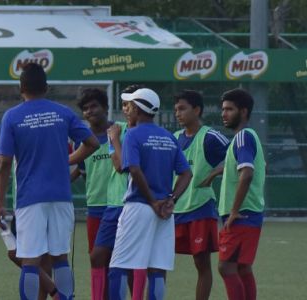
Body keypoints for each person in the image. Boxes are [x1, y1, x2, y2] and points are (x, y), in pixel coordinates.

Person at [0, 63, 99, 300]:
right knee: (60, 257)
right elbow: (93, 143)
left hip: (30, 197)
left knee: (30, 260)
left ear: (21, 88)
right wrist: (67, 160)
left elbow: (4, 162)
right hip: (61, 196)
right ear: (46, 88)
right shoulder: (63, 112)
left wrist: (0, 202)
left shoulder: (12, 116)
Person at [107, 88, 192, 300]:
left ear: (137, 109)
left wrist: (152, 201)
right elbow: (187, 173)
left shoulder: (133, 134)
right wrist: (171, 199)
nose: (127, 110)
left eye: (130, 106)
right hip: (164, 212)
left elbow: (133, 169)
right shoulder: (168, 136)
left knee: (119, 266)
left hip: (139, 206)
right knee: (157, 270)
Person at [71, 88, 129, 300]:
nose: (89, 111)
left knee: (121, 261)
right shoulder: (81, 141)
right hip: (95, 207)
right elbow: (82, 172)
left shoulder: (122, 130)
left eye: (94, 106)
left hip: (122, 205)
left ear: (105, 107)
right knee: (97, 259)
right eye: (85, 108)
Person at [172, 90, 229, 300]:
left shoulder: (210, 137)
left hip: (200, 208)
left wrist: (214, 173)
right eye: (176, 109)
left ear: (196, 110)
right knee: (158, 262)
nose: (178, 113)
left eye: (182, 108)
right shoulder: (173, 138)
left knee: (201, 264)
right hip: (173, 209)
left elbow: (238, 157)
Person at [218, 88, 265, 300]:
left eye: (229, 109)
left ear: (243, 111)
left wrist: (234, 210)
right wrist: (215, 173)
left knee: (226, 267)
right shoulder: (248, 137)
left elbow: (247, 174)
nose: (224, 114)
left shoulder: (243, 136)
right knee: (242, 267)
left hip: (241, 215)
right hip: (251, 213)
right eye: (223, 109)